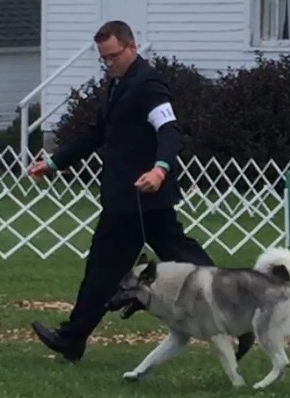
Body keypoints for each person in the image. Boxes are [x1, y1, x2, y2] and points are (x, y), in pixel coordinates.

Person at [27, 20, 254, 362]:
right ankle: (73, 338)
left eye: (113, 57)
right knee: (105, 271)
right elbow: (96, 135)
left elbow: (170, 130)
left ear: (132, 47)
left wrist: (160, 169)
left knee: (184, 265)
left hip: (146, 197)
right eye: (103, 59)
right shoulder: (117, 86)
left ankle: (243, 319)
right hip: (123, 200)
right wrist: (56, 163)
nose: (108, 64)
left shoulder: (148, 84)